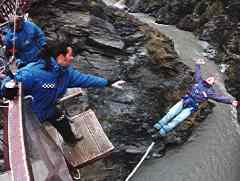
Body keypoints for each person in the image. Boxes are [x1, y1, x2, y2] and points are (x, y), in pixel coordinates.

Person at [2, 43, 126, 146]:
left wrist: (109, 83)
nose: (72, 58)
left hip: (49, 108)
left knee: (63, 122)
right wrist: (8, 89)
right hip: (32, 115)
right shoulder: (32, 74)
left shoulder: (66, 73)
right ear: (61, 57)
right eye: (70, 55)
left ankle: (71, 141)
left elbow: (86, 79)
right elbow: (8, 84)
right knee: (35, 140)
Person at [153, 58, 238, 137]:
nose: (210, 79)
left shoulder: (210, 92)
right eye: (209, 78)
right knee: (171, 113)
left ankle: (164, 130)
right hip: (184, 101)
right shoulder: (199, 81)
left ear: (212, 83)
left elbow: (220, 98)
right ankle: (159, 124)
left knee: (178, 120)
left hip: (191, 107)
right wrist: (198, 64)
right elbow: (198, 73)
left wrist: (230, 102)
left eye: (212, 80)